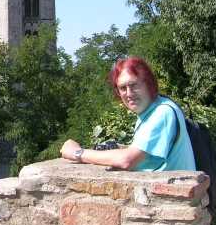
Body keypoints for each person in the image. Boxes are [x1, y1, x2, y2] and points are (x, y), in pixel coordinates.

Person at [60, 56, 196, 171]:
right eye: (123, 88)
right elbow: (144, 153)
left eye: (134, 85)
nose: (129, 94)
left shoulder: (162, 112)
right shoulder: (152, 109)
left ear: (148, 83)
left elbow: (127, 160)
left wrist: (77, 153)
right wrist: (115, 149)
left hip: (173, 199)